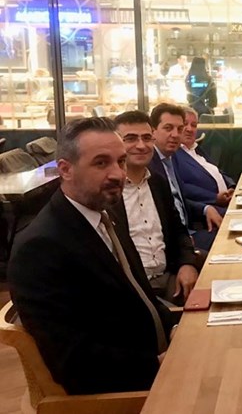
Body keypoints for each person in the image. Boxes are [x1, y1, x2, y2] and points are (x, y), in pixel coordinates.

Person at [8, 117, 176, 394]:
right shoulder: (40, 248)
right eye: (101, 163)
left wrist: (175, 328)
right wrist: (159, 365)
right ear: (65, 169)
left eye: (121, 162)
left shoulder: (105, 213)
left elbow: (139, 296)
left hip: (160, 361)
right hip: (130, 391)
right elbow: (74, 363)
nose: (117, 174)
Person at [111, 111, 199, 306]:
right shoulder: (108, 191)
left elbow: (179, 230)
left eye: (146, 138)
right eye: (130, 139)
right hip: (131, 289)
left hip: (169, 278)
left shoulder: (158, 182)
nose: (141, 145)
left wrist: (187, 264)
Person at [148, 103, 222, 251]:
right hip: (173, 244)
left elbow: (178, 201)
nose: (175, 134)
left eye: (179, 129)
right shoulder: (149, 166)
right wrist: (184, 244)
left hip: (189, 233)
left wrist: (205, 208)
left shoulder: (171, 158)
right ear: (153, 131)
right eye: (168, 128)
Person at [173, 107, 235, 214]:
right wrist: (215, 197)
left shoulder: (196, 148)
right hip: (211, 209)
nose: (190, 129)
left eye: (194, 125)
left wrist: (232, 186)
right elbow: (182, 186)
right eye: (185, 124)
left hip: (229, 201)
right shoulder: (174, 155)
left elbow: (217, 171)